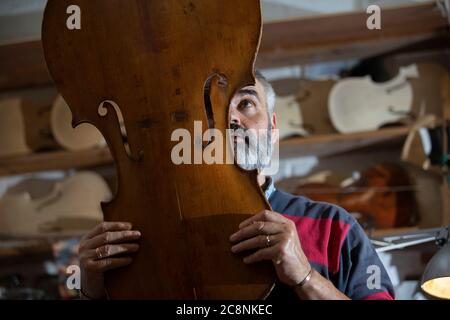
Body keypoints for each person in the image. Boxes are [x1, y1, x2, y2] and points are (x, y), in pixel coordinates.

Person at [78, 71, 395, 300]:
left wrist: (306, 277)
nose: (230, 119)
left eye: (245, 104)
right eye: (212, 108)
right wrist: (93, 291)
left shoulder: (334, 227)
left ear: (272, 128)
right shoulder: (149, 234)